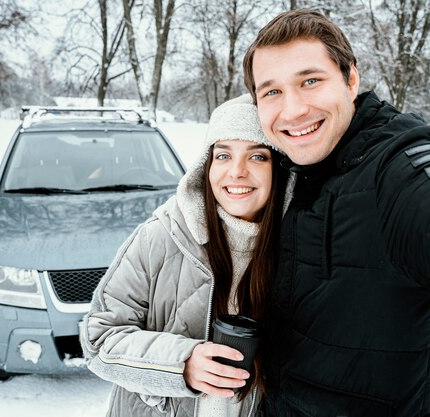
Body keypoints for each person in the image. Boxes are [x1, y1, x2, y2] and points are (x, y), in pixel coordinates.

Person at [242, 8, 430, 417]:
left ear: (351, 79)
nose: (293, 109)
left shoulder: (399, 164)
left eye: (311, 81)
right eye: (272, 92)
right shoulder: (285, 173)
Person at [80, 94, 292, 417]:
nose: (237, 171)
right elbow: (99, 338)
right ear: (205, 166)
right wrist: (182, 365)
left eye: (257, 157)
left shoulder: (295, 252)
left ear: (278, 170)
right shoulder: (161, 236)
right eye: (223, 155)